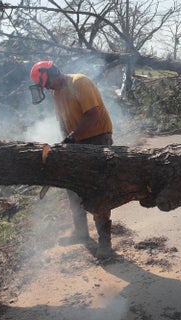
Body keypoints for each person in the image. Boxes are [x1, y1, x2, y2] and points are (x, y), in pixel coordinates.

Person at [30, 60, 115, 259]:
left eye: (47, 83)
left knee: (96, 190)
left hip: (97, 138)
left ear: (53, 74)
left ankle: (105, 243)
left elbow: (93, 115)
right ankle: (81, 233)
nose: (48, 88)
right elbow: (62, 122)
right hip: (77, 140)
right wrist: (65, 142)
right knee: (73, 187)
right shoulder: (56, 94)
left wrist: (73, 137)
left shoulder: (80, 82)